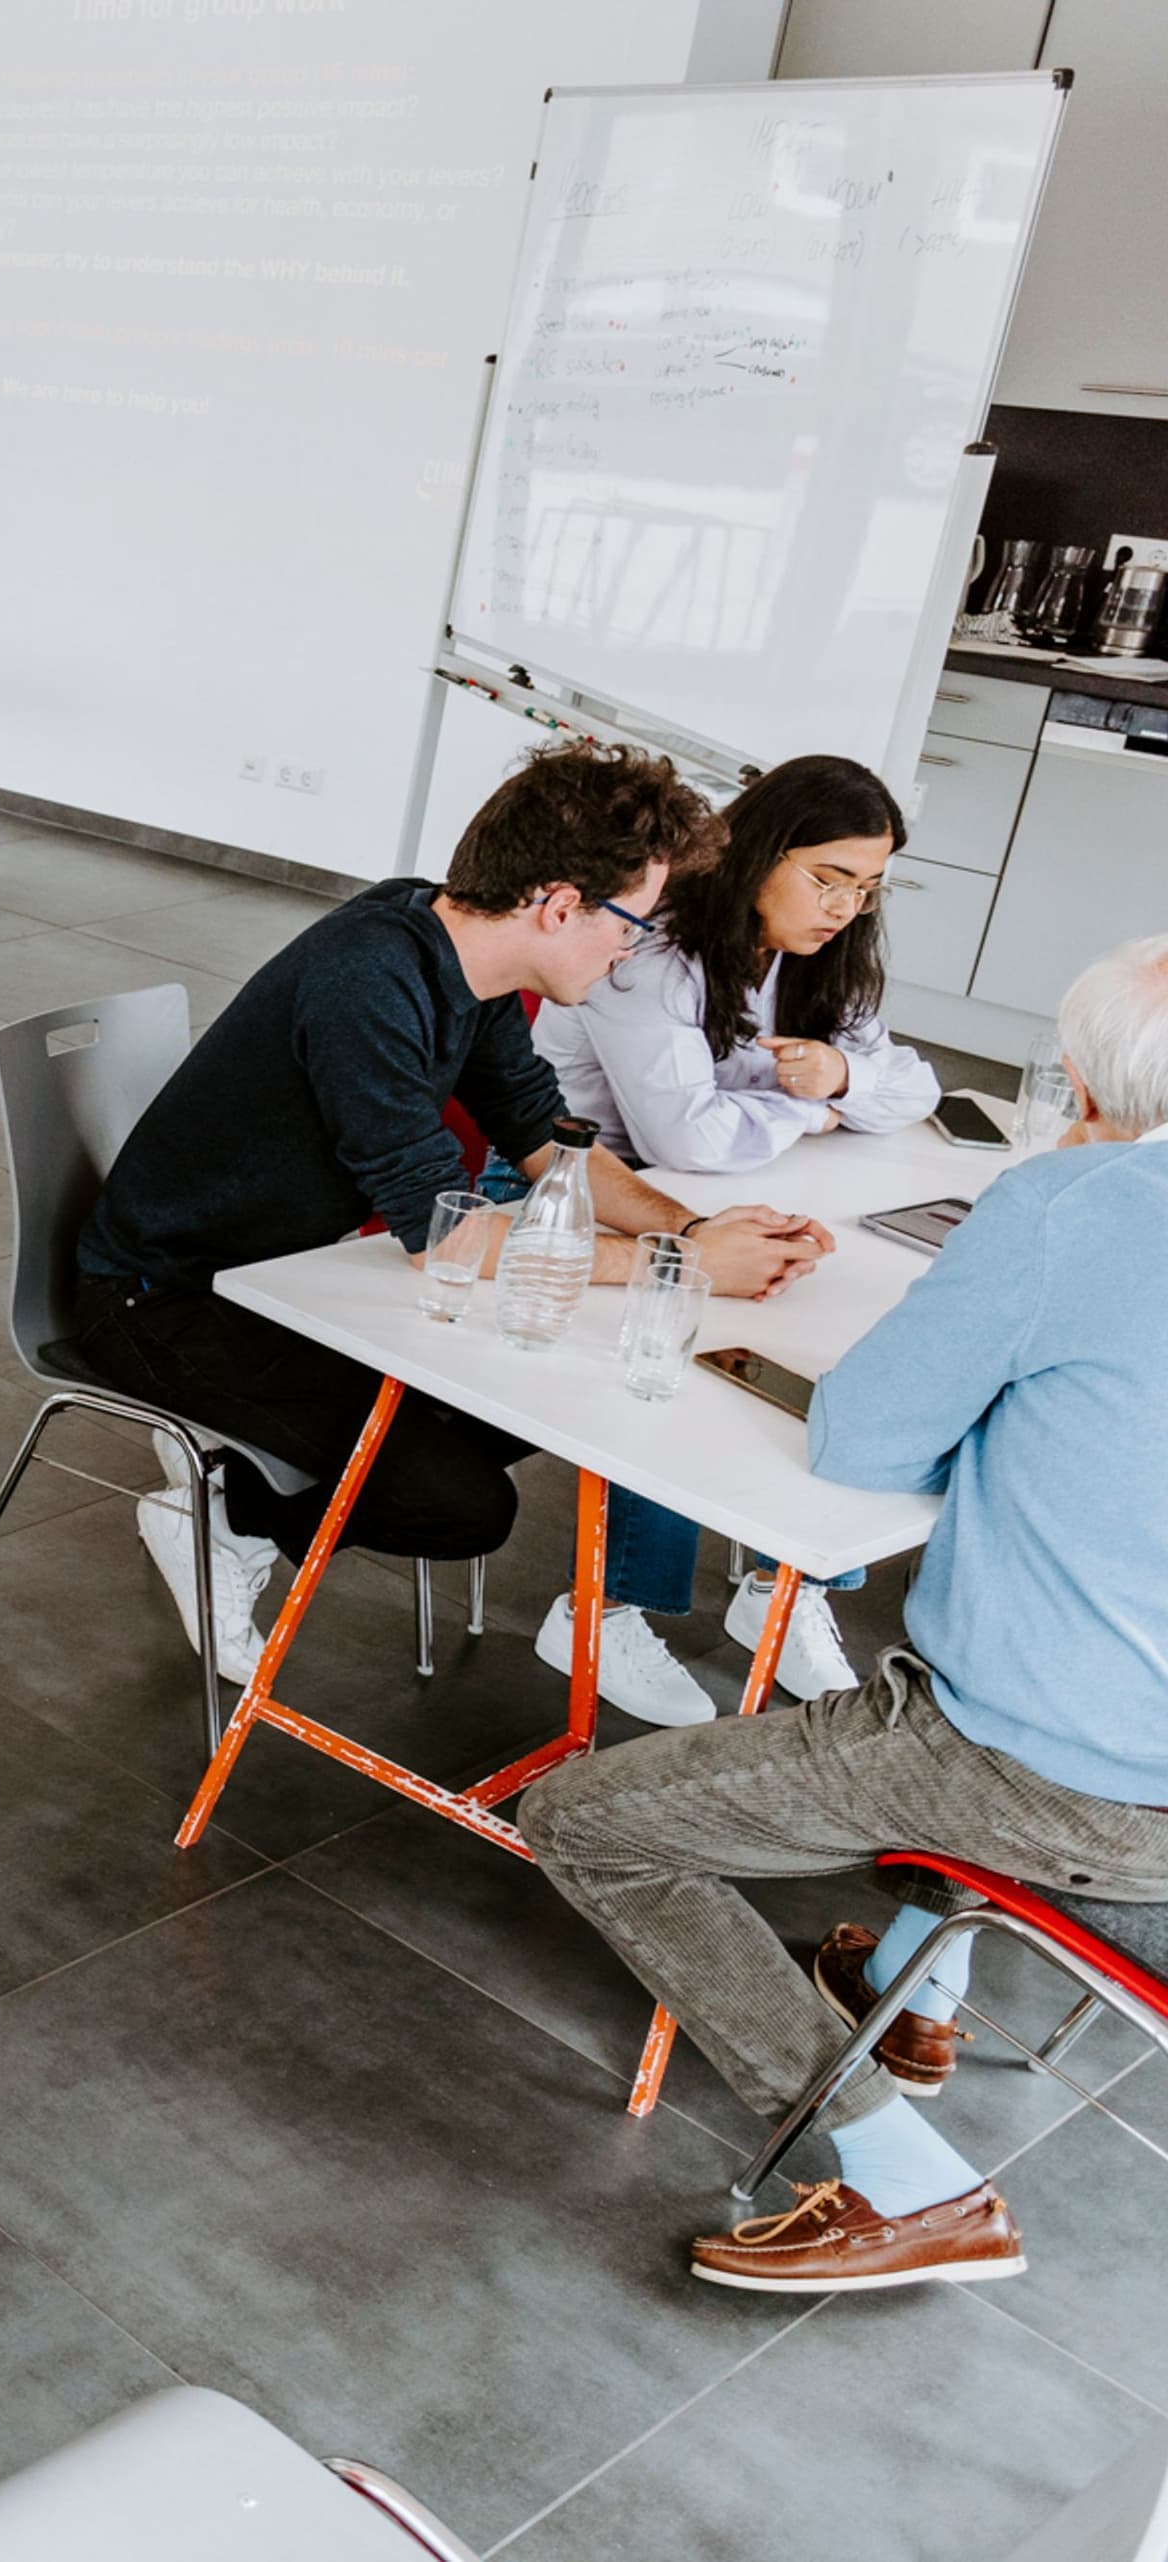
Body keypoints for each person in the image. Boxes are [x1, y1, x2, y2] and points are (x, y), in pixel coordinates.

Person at [520, 936, 1168, 2296]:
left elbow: (866, 1439)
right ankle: (921, 2001)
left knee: (584, 1821)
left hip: (1064, 1778)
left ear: (1095, 1091)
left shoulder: (1075, 1201)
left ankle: (901, 2177)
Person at [71, 737, 830, 1693]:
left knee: (554, 1391)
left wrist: (688, 1236)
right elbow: (449, 1238)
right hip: (163, 1297)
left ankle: (246, 1489)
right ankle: (223, 1516)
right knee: (460, 1508)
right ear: (559, 905)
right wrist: (676, 1271)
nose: (631, 949)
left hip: (290, 1281)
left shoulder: (458, 953)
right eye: (630, 925)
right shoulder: (368, 982)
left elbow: (553, 1149)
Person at [531, 754, 944, 1716]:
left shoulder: (821, 961)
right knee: (681, 1331)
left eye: (869, 889)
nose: (846, 908)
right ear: (760, 854)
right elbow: (687, 1139)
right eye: (827, 879)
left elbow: (911, 1087)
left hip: (726, 1185)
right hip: (587, 1185)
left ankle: (782, 1586)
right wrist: (815, 1107)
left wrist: (841, 1078)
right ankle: (602, 1608)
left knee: (838, 1327)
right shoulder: (654, 955)